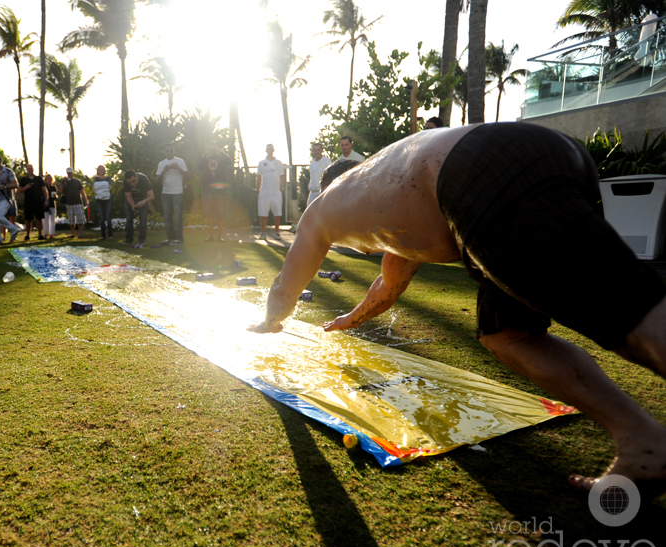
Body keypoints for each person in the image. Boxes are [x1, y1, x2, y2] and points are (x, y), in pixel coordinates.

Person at [249, 122, 666, 499]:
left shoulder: (323, 207)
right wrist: (349, 320)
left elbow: (287, 284)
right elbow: (388, 286)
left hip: (483, 169)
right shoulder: (387, 188)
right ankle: (642, 441)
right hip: (541, 153)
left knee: (625, 310)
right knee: (508, 336)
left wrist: (271, 320)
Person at [198, 141, 232, 242]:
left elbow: (229, 161)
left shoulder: (221, 157)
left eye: (214, 146)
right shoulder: (206, 158)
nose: (212, 148)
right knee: (210, 214)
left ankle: (220, 236)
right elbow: (199, 166)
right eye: (211, 146)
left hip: (220, 190)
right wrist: (205, 153)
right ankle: (211, 236)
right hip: (209, 190)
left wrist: (220, 151)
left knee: (220, 213)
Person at [156, 143, 188, 245]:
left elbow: (187, 176)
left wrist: (178, 169)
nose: (169, 152)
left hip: (177, 192)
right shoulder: (161, 163)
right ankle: (170, 239)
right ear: (164, 152)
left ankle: (179, 239)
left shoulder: (180, 161)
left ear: (174, 151)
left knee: (178, 216)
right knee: (167, 217)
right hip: (166, 193)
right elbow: (157, 180)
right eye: (167, 151)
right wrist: (164, 171)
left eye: (171, 150)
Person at [0, 153, 21, 245]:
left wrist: (5, 186)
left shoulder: (8, 171)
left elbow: (16, 184)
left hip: (6, 198)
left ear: (1, 161)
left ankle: (14, 229)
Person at [256, 144, 286, 240]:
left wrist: (281, 187)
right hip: (264, 191)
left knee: (277, 213)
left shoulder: (278, 163)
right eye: (268, 149)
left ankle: (276, 232)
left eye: (271, 149)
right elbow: (259, 177)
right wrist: (258, 189)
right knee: (263, 213)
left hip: (276, 192)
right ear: (266, 150)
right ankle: (263, 232)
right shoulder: (261, 163)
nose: (269, 151)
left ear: (273, 150)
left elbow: (282, 176)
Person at [123, 169, 153, 246]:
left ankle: (142, 239)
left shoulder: (143, 179)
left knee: (143, 218)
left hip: (142, 198)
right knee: (129, 217)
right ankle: (129, 238)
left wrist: (144, 201)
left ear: (136, 176)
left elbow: (152, 196)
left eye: (134, 181)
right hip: (131, 198)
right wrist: (133, 205)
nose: (132, 184)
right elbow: (129, 197)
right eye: (130, 183)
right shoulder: (126, 182)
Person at [19, 164, 48, 241]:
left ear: (33, 169)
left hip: (38, 201)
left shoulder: (38, 179)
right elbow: (19, 190)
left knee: (39, 218)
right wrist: (26, 187)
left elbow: (44, 190)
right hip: (28, 201)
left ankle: (40, 234)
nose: (30, 170)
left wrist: (46, 199)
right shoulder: (24, 180)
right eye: (28, 169)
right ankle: (27, 234)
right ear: (26, 170)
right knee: (28, 219)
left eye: (31, 168)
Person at [62, 166, 88, 239]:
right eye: (68, 173)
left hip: (78, 202)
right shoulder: (64, 181)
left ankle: (80, 233)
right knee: (71, 220)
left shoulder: (77, 182)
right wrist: (64, 183)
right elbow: (61, 191)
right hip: (69, 203)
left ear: (72, 173)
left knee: (80, 219)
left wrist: (86, 201)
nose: (69, 174)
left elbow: (82, 192)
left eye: (70, 173)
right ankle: (73, 233)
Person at [307, 143, 332, 208]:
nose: (316, 152)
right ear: (312, 151)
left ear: (322, 150)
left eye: (318, 150)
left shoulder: (327, 162)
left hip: (322, 192)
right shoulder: (312, 163)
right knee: (310, 213)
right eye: (315, 150)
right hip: (312, 192)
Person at [92, 165, 113, 240]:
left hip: (107, 199)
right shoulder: (96, 179)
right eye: (99, 169)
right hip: (99, 200)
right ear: (98, 171)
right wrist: (99, 194)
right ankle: (103, 236)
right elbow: (94, 189)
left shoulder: (108, 178)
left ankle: (110, 235)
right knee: (101, 218)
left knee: (108, 217)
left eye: (102, 169)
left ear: (104, 171)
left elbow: (110, 187)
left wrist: (105, 193)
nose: (101, 170)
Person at [42, 172, 58, 239]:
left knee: (52, 220)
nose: (49, 180)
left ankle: (51, 234)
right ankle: (45, 233)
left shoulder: (53, 187)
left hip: (52, 204)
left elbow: (56, 196)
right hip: (45, 205)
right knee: (45, 220)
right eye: (48, 179)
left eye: (50, 179)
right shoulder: (43, 187)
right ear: (45, 179)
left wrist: (55, 196)